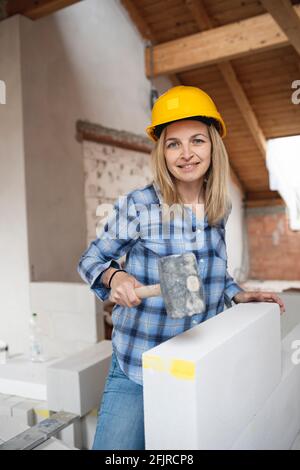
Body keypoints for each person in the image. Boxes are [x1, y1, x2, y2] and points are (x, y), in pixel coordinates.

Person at [77, 86, 285, 450]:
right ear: (162, 151)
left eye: (197, 141)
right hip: (138, 366)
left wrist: (237, 293)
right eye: (174, 144)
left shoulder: (220, 206)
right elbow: (90, 260)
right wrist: (116, 276)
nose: (186, 154)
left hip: (198, 363)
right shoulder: (139, 205)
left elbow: (212, 276)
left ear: (213, 146)